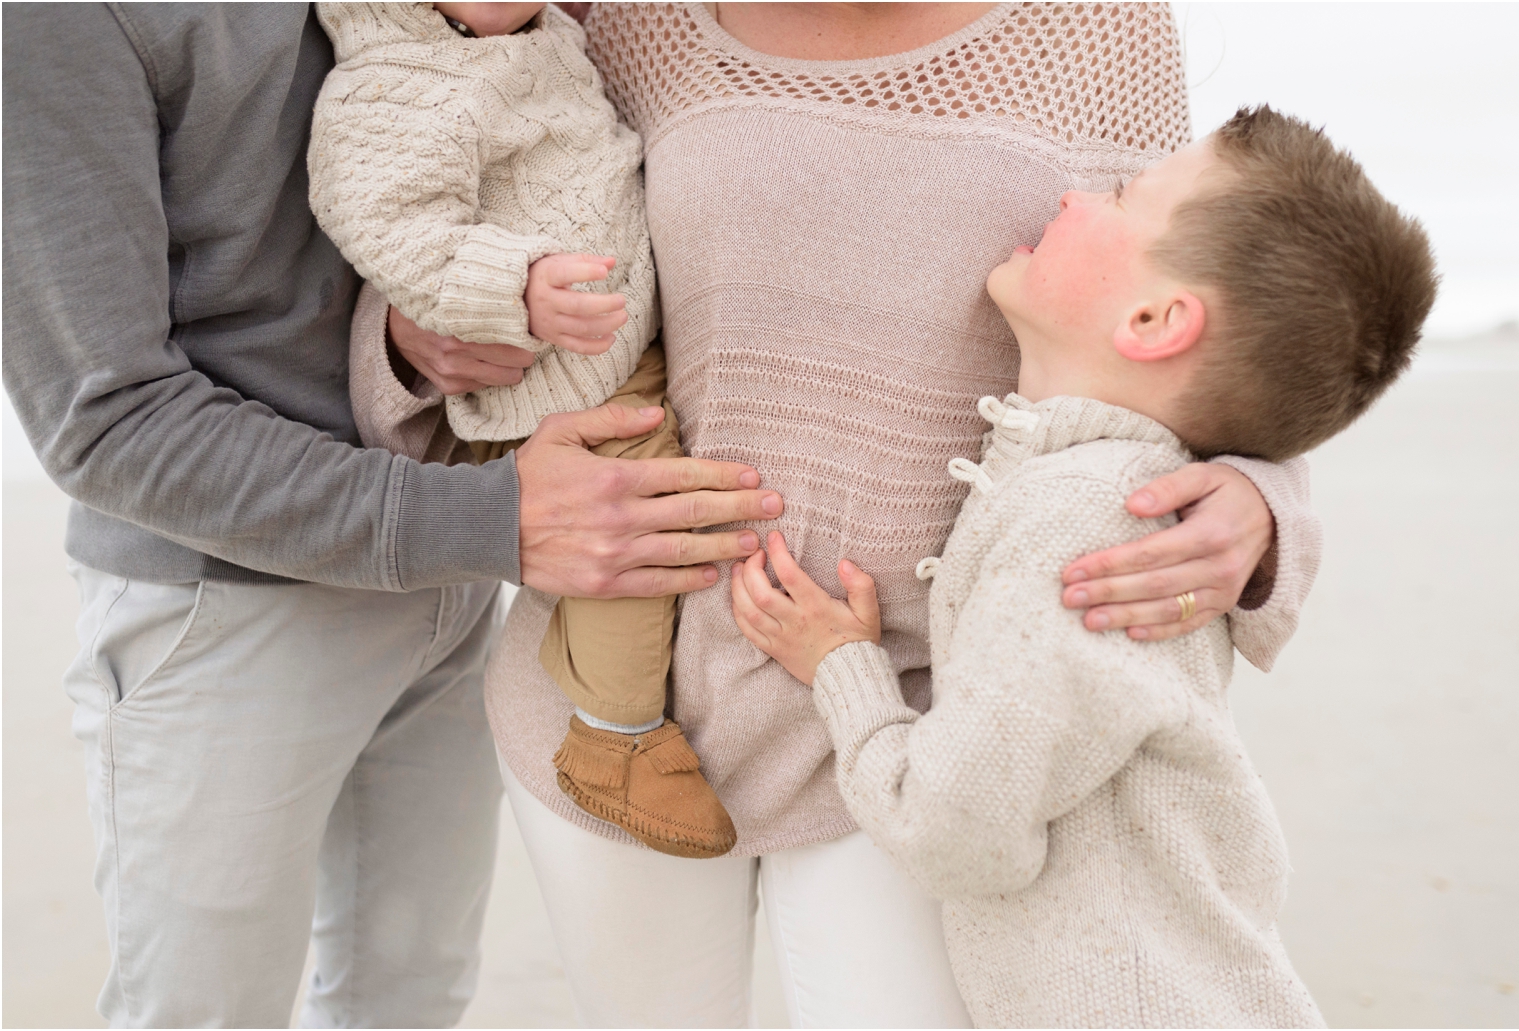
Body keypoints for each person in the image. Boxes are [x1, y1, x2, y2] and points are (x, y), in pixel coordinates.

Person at [361, 4, 1324, 1025]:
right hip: (617, 707)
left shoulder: (1096, 26)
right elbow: (442, 200)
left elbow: (1208, 302)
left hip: (915, 723)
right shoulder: (632, 15)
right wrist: (409, 347)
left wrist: (1267, 503)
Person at [0, 4, 774, 1026]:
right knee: (201, 1014)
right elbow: (103, 419)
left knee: (407, 1001)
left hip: (439, 587)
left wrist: (416, 338)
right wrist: (482, 520)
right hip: (227, 616)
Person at [731, 105, 1436, 1028]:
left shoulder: (1080, 523)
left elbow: (955, 834)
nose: (1070, 193)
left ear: (1150, 319)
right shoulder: (1097, 485)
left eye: (1117, 195)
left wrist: (841, 667)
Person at [310, 0, 735, 858]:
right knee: (639, 514)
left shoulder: (546, 35)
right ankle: (614, 736)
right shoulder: (389, 85)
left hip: (612, 338)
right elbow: (387, 222)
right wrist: (516, 285)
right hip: (548, 375)